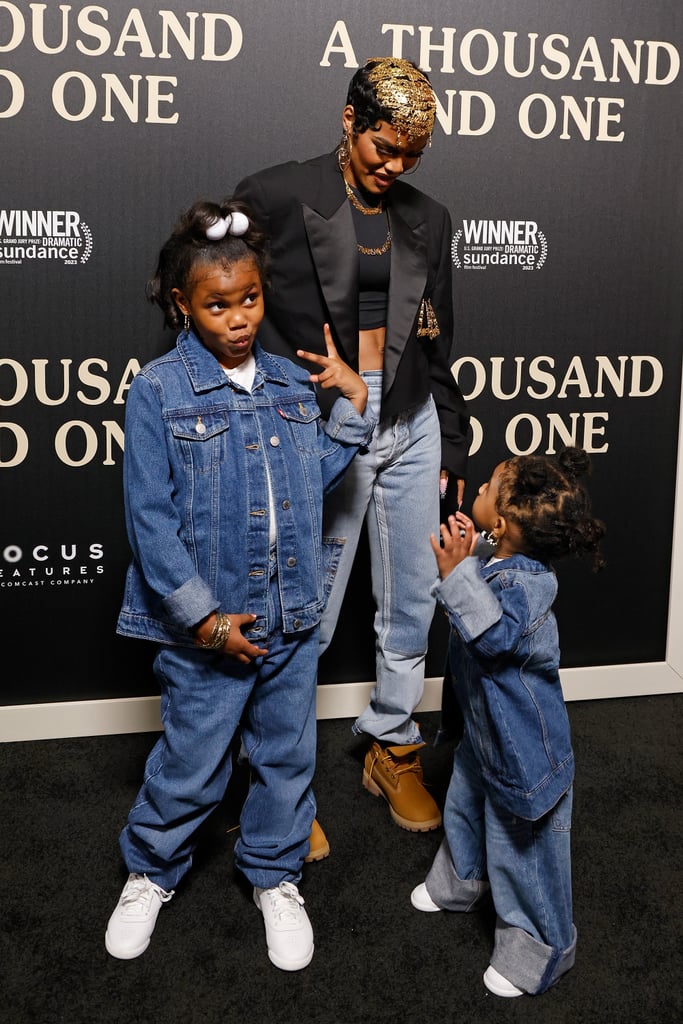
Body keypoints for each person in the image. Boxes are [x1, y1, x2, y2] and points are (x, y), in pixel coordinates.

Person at [106, 198, 375, 971]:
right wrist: (203, 620)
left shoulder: (292, 384)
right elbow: (150, 524)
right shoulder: (159, 391)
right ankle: (150, 870)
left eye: (248, 299)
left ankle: (275, 874)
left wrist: (349, 411)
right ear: (180, 304)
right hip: (210, 631)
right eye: (216, 304)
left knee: (288, 758)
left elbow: (310, 480)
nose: (237, 318)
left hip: (290, 616)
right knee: (193, 762)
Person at [234, 57, 471, 840]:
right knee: (305, 616)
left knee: (411, 603)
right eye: (382, 148)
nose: (394, 166)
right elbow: (216, 304)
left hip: (408, 428)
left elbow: (434, 336)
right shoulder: (273, 195)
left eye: (411, 154)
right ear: (347, 120)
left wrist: (449, 432)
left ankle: (392, 744)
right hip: (318, 435)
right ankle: (279, 784)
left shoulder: (428, 218)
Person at [410, 447, 606, 997]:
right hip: (483, 733)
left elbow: (493, 638)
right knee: (465, 808)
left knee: (526, 848)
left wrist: (456, 574)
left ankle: (542, 948)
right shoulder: (497, 560)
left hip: (523, 751)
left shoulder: (529, 587)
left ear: (503, 522)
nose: (485, 479)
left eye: (493, 482)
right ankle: (461, 883)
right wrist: (467, 561)